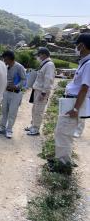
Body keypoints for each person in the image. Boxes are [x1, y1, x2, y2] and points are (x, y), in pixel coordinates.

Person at [50, 33, 90, 174]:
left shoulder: (89, 64)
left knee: (63, 134)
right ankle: (63, 160)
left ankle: (63, 166)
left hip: (74, 102)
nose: (75, 48)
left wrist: (75, 109)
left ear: (82, 45)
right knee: (64, 133)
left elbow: (84, 88)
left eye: (76, 45)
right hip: (71, 100)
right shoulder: (84, 62)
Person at [0, 50, 26, 139]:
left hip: (15, 93)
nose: (4, 60)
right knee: (4, 111)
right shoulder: (6, 66)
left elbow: (24, 80)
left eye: (5, 59)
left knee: (12, 113)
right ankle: (1, 128)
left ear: (9, 58)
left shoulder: (19, 67)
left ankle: (9, 130)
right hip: (6, 92)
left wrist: (16, 86)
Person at [25, 47, 55, 136]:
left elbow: (48, 79)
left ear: (44, 55)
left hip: (42, 91)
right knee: (34, 109)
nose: (38, 57)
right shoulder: (44, 64)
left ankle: (36, 128)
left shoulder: (49, 65)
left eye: (39, 55)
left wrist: (44, 92)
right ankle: (33, 125)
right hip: (37, 89)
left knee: (39, 110)